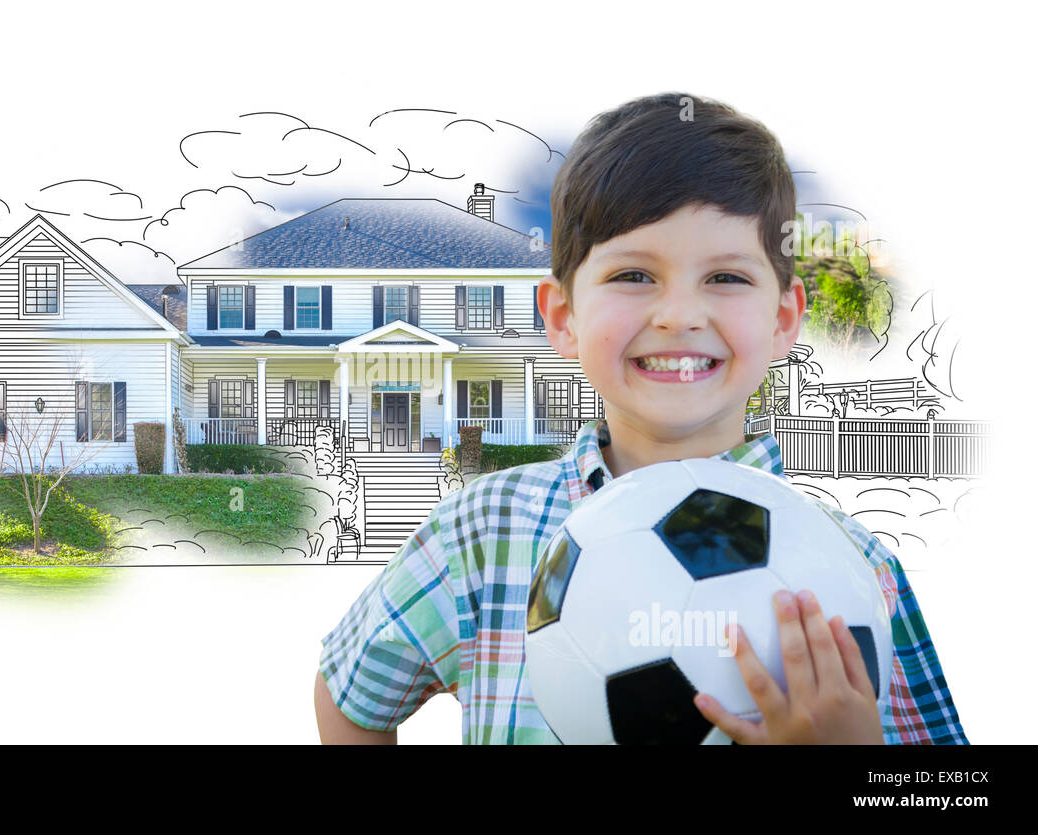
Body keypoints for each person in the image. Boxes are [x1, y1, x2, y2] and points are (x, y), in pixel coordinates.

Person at [314, 92, 967, 745]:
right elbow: (348, 693)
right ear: (564, 316)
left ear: (783, 320)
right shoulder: (480, 532)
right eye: (633, 274)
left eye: (727, 278)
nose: (678, 314)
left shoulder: (853, 565)